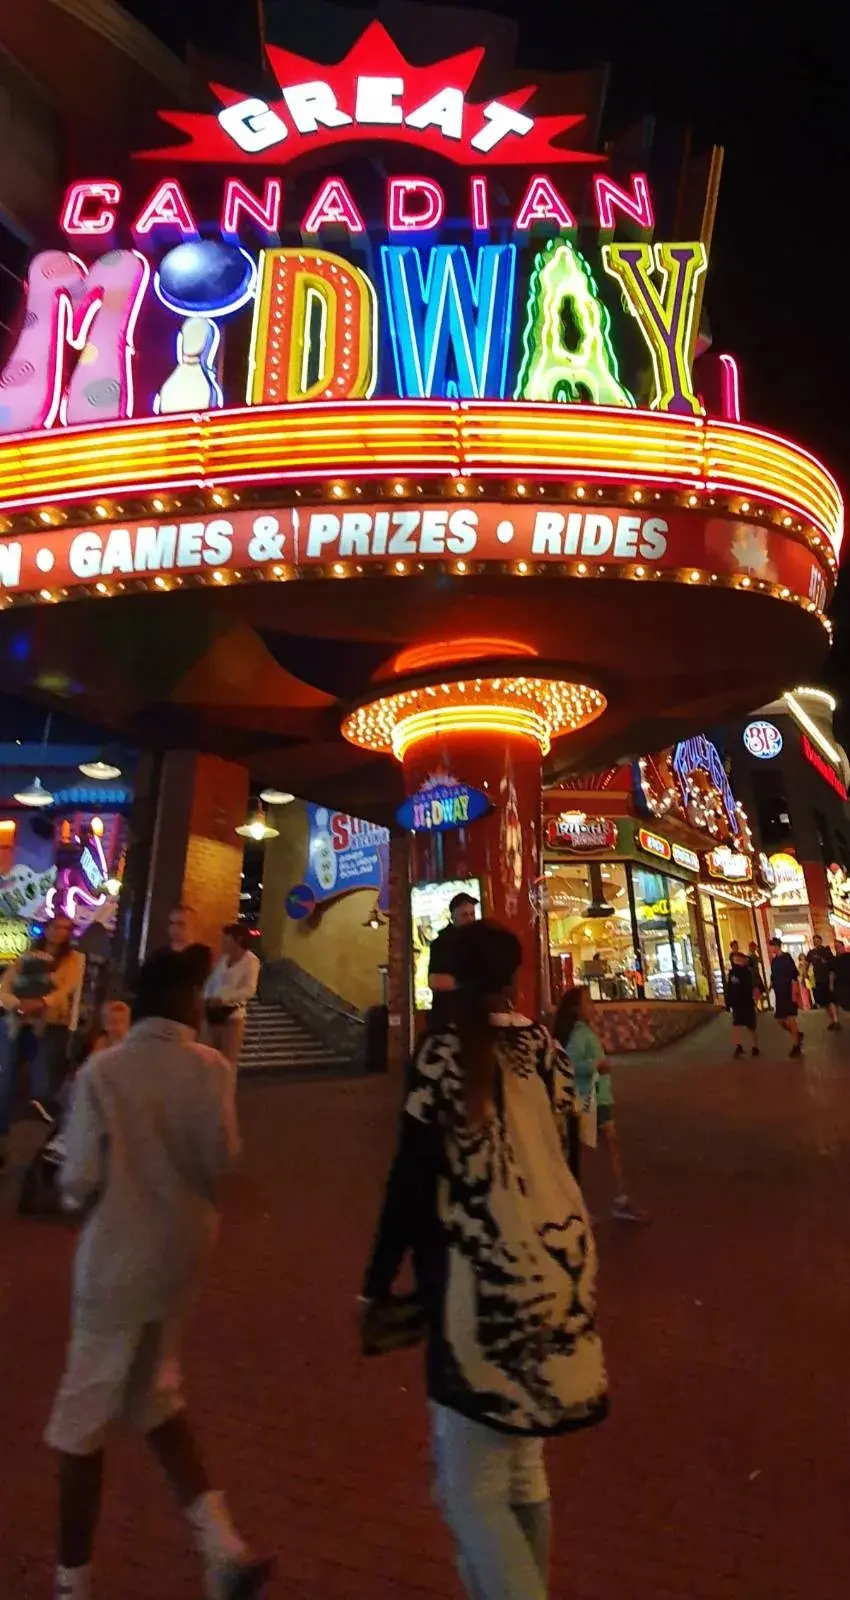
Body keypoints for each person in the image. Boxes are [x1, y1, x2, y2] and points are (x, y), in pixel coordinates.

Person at [362, 920, 606, 1600]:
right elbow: (569, 1157)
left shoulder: (441, 1056)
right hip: (558, 1268)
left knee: (467, 1487)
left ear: (446, 982)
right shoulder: (546, 1049)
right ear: (514, 978)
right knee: (523, 1469)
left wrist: (377, 1285)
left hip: (482, 1283)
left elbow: (408, 1183)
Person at [45, 949, 271, 1600]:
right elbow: (222, 1159)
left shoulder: (104, 1072)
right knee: (153, 1399)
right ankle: (222, 1548)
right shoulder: (211, 1070)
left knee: (79, 1425)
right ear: (182, 1001)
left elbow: (78, 1177)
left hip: (115, 1256)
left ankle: (71, 1581)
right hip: (181, 1256)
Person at [552, 985, 649, 1221]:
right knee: (601, 1151)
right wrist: (597, 1066)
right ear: (577, 1009)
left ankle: (605, 1199)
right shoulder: (579, 1034)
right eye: (588, 1002)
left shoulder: (584, 1032)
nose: (593, 1007)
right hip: (592, 1098)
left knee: (601, 1150)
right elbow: (572, 1065)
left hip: (597, 1097)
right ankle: (612, 1199)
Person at [0, 916, 86, 1165]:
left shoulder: (73, 959)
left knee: (42, 1082)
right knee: (6, 1077)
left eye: (65, 928)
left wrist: (40, 1002)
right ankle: (3, 1136)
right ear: (46, 928)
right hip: (18, 1021)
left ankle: (36, 1144)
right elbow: (5, 985)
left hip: (50, 1024)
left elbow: (66, 990)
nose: (58, 932)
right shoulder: (28, 953)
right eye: (55, 926)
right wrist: (18, 1004)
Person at [203, 924, 260, 1068]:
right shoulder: (223, 959)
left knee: (228, 1061)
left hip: (232, 1015)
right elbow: (212, 982)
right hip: (212, 1013)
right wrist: (206, 997)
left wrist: (224, 998)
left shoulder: (251, 961)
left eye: (226, 939)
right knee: (208, 1057)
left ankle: (225, 1089)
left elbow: (249, 989)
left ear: (238, 939)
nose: (222, 942)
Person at [426, 891, 478, 1032]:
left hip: (473, 1018)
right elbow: (434, 981)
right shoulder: (442, 943)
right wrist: (470, 982)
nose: (470, 919)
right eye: (465, 915)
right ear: (453, 916)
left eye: (472, 914)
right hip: (449, 1019)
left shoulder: (478, 940)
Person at [163, 904, 213, 989]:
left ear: (193, 926)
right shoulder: (162, 953)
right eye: (172, 923)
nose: (175, 928)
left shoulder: (201, 954)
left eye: (181, 924)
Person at [768, 936, 803, 1057]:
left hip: (788, 992)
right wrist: (771, 985)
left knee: (791, 1019)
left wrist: (794, 990)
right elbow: (773, 975)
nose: (770, 948)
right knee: (780, 1020)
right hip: (779, 993)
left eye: (771, 946)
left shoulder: (786, 958)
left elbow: (794, 974)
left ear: (776, 946)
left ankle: (796, 1045)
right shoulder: (774, 961)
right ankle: (797, 1034)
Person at [724, 950, 760, 1057]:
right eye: (734, 960)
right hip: (737, 1003)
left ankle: (755, 1046)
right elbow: (729, 988)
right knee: (736, 1025)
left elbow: (751, 985)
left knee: (751, 1027)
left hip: (747, 1001)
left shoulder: (747, 972)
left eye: (738, 959)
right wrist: (728, 1002)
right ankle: (738, 1046)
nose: (736, 962)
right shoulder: (732, 973)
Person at [806, 934, 840, 1028]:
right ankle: (832, 1020)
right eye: (814, 941)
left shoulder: (826, 950)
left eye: (817, 941)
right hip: (818, 980)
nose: (816, 943)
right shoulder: (811, 953)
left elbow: (832, 964)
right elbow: (807, 962)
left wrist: (832, 980)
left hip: (827, 979)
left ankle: (836, 1020)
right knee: (824, 1003)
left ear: (821, 941)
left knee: (831, 1000)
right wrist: (805, 972)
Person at [831, 940, 850, 1016]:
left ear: (843, 947)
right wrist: (831, 984)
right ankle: (836, 1022)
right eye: (835, 947)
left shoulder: (848, 956)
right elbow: (832, 972)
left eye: (838, 947)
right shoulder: (834, 959)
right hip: (840, 984)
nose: (837, 949)